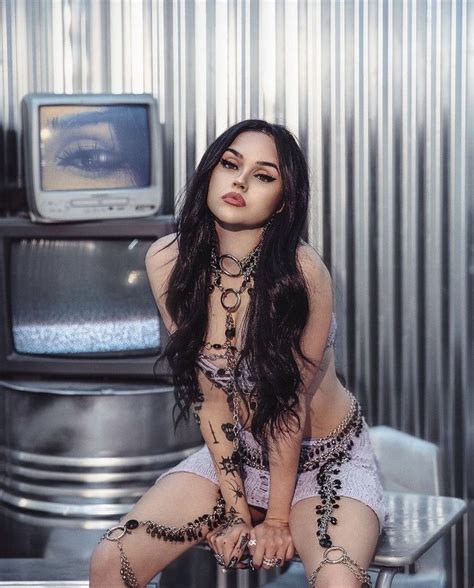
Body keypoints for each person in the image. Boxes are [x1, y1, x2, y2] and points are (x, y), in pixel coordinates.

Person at [89, 119, 386, 587]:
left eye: (264, 175)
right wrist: (234, 511)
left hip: (323, 461)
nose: (241, 181)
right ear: (211, 171)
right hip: (240, 457)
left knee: (338, 582)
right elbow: (212, 398)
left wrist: (278, 521)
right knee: (111, 561)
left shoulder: (303, 275)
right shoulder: (168, 261)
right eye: (230, 164)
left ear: (284, 200)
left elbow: (286, 406)